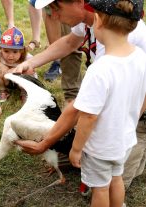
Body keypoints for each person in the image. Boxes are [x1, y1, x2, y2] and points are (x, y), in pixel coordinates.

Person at [14, 0, 146, 190]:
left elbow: (81, 108)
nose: (54, 16)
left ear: (79, 2)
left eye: (55, 8)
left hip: (137, 115)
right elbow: (69, 42)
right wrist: (33, 62)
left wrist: (46, 142)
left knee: (106, 186)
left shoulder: (116, 38)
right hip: (122, 106)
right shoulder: (98, 18)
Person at [68, 0, 146, 206]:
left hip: (100, 146)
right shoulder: (141, 57)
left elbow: (88, 115)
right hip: (125, 140)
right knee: (116, 178)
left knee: (100, 188)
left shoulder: (99, 70)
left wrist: (76, 149)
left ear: (97, 20)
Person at [0, 27, 37, 103]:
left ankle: (25, 92)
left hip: (23, 81)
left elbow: (32, 69)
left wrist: (15, 70)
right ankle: (2, 91)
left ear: (22, 51)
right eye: (6, 51)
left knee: (27, 74)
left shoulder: (27, 57)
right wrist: (2, 66)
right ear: (1, 49)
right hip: (7, 80)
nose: (10, 56)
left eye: (15, 52)